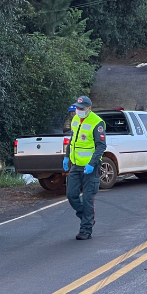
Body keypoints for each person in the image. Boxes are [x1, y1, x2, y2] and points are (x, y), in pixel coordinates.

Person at [63, 96, 106, 240]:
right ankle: (86, 217)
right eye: (77, 108)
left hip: (90, 168)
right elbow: (72, 140)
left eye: (81, 109)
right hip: (76, 165)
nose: (78, 111)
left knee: (88, 199)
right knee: (71, 194)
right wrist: (67, 156)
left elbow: (101, 146)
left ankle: (86, 229)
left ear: (89, 109)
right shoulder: (75, 120)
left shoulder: (97, 123)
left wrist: (92, 164)